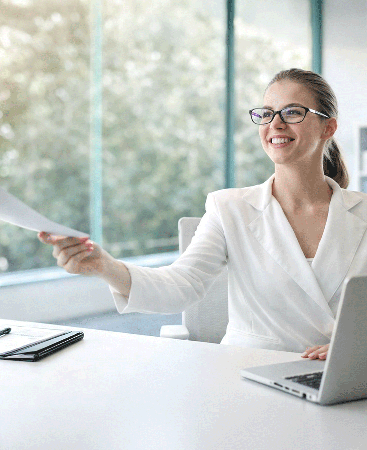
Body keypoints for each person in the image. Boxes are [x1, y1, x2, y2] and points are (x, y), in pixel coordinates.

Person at [39, 68, 367, 360]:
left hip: (344, 376)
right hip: (249, 374)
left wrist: (356, 348)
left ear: (328, 128)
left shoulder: (362, 213)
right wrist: (105, 267)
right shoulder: (229, 208)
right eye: (266, 114)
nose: (275, 124)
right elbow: (183, 283)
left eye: (292, 112)